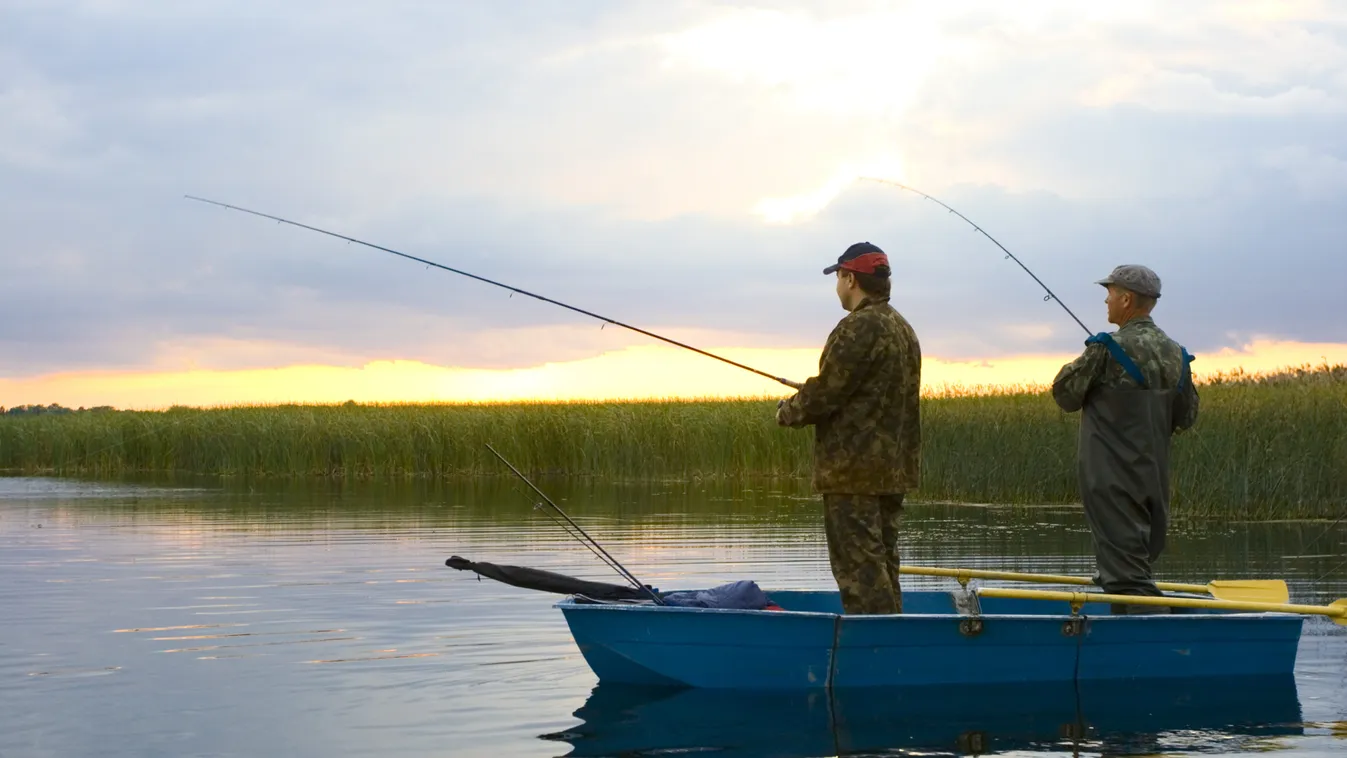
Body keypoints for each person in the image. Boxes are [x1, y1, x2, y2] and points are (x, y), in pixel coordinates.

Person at [776, 241, 922, 615]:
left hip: (853, 472)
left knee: (860, 573)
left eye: (839, 277)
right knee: (883, 565)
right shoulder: (903, 328)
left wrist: (788, 410)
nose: (838, 286)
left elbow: (825, 393)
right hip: (892, 470)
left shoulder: (858, 327)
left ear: (851, 279)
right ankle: (895, 636)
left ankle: (875, 643)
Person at [1051, 264, 1199, 613]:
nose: (1106, 301)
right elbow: (1186, 416)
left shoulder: (1106, 348)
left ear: (1127, 299)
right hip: (1154, 477)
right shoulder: (1177, 355)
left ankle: (1156, 635)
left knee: (1126, 579)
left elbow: (1064, 394)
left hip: (1110, 477)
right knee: (1132, 565)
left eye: (1110, 293)